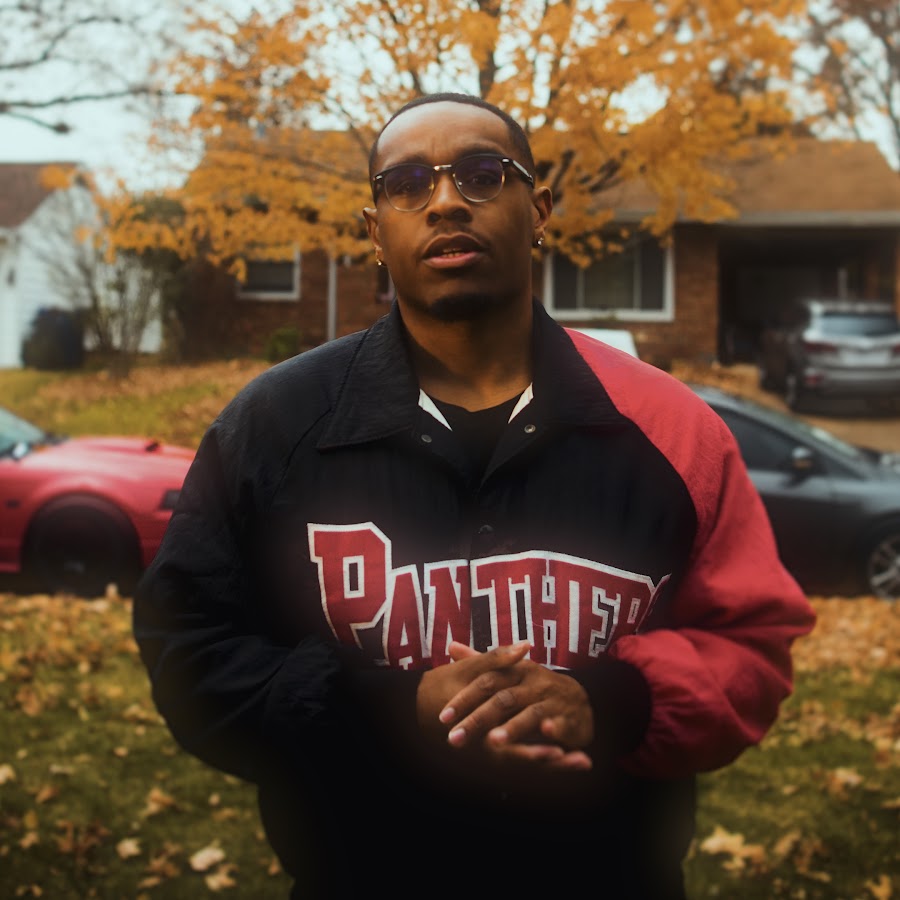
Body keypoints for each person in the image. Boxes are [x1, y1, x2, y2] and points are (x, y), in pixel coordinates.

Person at [133, 93, 816, 899]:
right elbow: (187, 647)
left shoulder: (673, 429)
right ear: (374, 231)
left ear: (540, 211)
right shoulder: (272, 427)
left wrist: (613, 704)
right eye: (407, 183)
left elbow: (752, 645)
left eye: (484, 173)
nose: (446, 201)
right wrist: (385, 707)